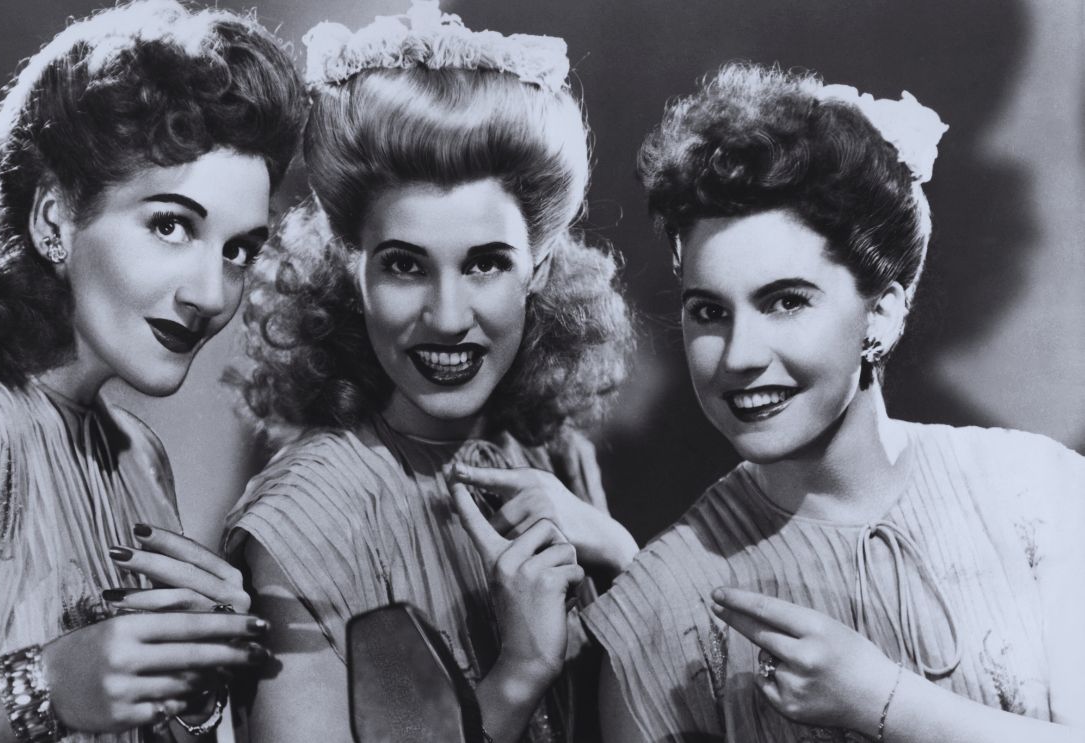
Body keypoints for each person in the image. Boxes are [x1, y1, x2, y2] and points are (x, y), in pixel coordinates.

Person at [0, 2, 305, 740]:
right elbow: (49, 696)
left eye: (237, 248)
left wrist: (189, 690)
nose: (211, 294)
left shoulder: (137, 458)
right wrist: (27, 690)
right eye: (171, 224)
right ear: (53, 218)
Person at [578, 63, 1085, 742]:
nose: (738, 355)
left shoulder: (1033, 492)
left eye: (785, 301)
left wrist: (883, 700)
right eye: (708, 312)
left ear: (880, 313)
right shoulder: (654, 613)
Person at [221, 3, 636, 741]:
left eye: (485, 264)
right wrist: (516, 672)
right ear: (353, 269)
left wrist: (622, 554)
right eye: (406, 265)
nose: (446, 316)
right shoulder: (303, 515)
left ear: (537, 268)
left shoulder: (551, 455)